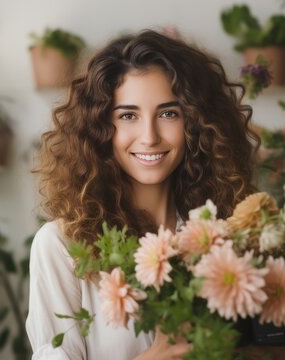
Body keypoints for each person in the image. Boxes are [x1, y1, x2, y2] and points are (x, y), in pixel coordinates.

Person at [26, 29, 259, 360]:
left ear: (195, 123)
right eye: (128, 116)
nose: (149, 137)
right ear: (100, 128)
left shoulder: (224, 236)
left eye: (168, 113)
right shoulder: (61, 247)